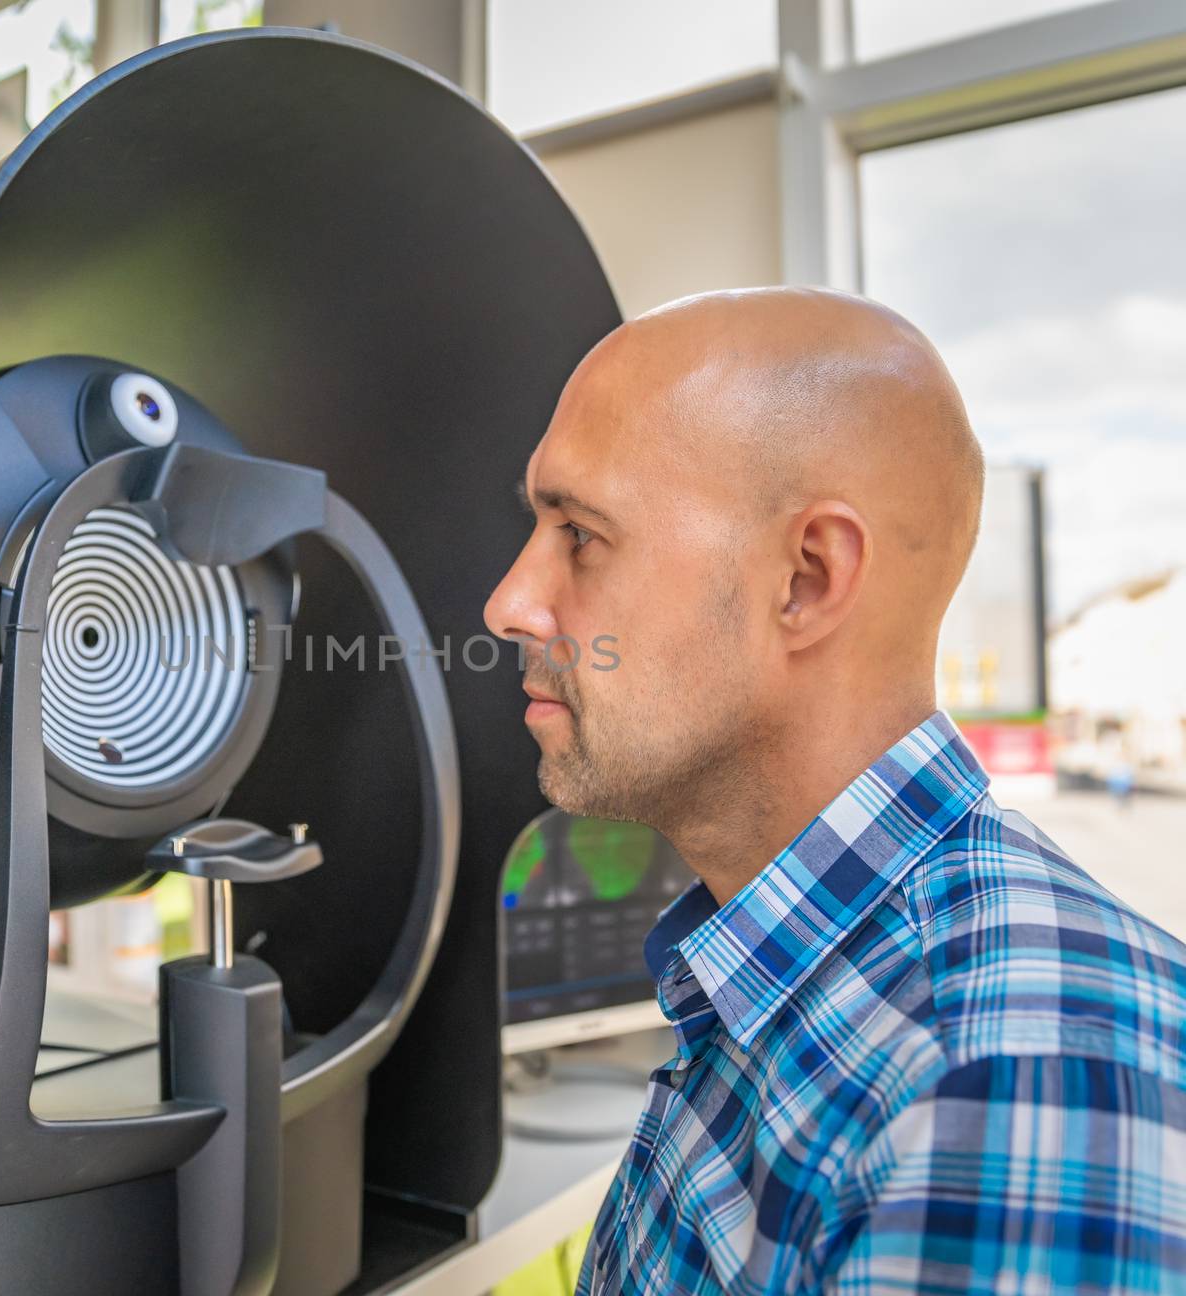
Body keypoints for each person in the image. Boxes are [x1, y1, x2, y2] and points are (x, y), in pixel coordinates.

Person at [484, 287, 1186, 1295]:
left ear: (805, 580)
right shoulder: (788, 988)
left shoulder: (1000, 1091)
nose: (508, 602)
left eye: (580, 534)